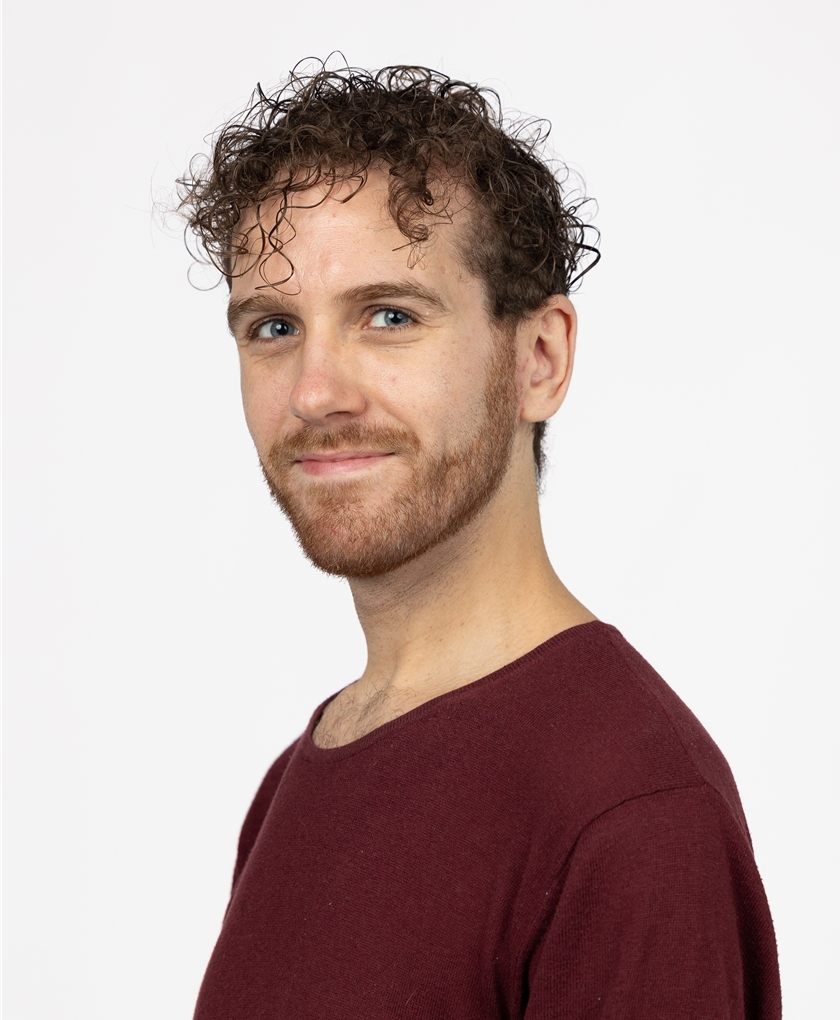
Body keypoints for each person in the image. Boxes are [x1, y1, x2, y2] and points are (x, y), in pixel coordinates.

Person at [178, 64, 781, 1019]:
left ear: (539, 359)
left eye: (390, 315)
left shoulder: (631, 811)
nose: (315, 391)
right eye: (274, 326)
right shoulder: (296, 780)